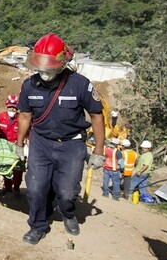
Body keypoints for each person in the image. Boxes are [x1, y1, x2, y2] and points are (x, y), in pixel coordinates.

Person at [15, 33, 105, 245]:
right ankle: (37, 225)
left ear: (63, 63)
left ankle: (67, 213)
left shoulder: (79, 85)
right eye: (41, 66)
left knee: (67, 191)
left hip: (72, 144)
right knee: (36, 187)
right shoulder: (29, 86)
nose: (45, 72)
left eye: (50, 67)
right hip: (41, 142)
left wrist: (99, 152)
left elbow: (96, 115)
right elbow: (25, 116)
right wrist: (19, 145)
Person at [0, 94, 23, 196]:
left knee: (17, 169)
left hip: (17, 146)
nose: (12, 109)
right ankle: (7, 187)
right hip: (4, 147)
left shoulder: (21, 118)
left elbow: (27, 131)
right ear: (7, 106)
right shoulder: (0, 117)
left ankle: (16, 188)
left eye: (14, 107)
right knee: (5, 167)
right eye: (10, 107)